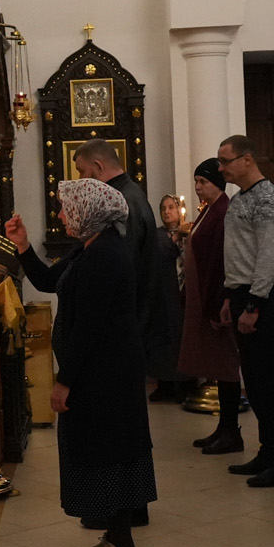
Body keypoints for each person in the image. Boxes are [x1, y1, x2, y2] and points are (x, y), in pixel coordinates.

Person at [5, 183, 155, 547]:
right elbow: (48, 281)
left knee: (110, 453)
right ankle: (115, 539)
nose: (59, 215)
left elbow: (90, 328)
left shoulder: (105, 255)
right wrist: (23, 245)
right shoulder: (90, 246)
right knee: (101, 451)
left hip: (108, 373)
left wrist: (63, 381)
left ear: (88, 211)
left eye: (65, 208)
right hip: (99, 370)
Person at [216, 135, 274, 488]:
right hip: (242, 294)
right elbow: (239, 253)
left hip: (262, 297)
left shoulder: (269, 199)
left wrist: (253, 305)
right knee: (255, 383)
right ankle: (268, 450)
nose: (221, 168)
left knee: (268, 381)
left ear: (247, 159)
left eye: (226, 161)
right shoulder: (239, 198)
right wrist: (229, 298)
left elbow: (270, 257)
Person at [73, 138, 169, 392]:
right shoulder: (129, 192)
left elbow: (122, 267)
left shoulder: (122, 202)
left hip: (128, 323)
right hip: (134, 318)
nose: (81, 179)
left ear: (98, 166)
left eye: (82, 171)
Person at [179, 159, 241, 452]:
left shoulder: (223, 212)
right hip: (202, 296)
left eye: (202, 182)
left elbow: (220, 261)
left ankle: (231, 431)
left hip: (215, 299)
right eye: (196, 182)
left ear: (217, 183)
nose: (197, 187)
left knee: (224, 365)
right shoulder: (210, 210)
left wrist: (218, 303)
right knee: (215, 364)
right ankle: (223, 427)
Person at [152, 193, 189, 403]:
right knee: (164, 340)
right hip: (164, 294)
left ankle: (185, 385)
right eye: (163, 208)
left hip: (184, 294)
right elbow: (158, 254)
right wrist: (174, 239)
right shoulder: (157, 235)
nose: (167, 212)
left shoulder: (189, 231)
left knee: (183, 339)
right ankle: (164, 384)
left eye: (171, 207)